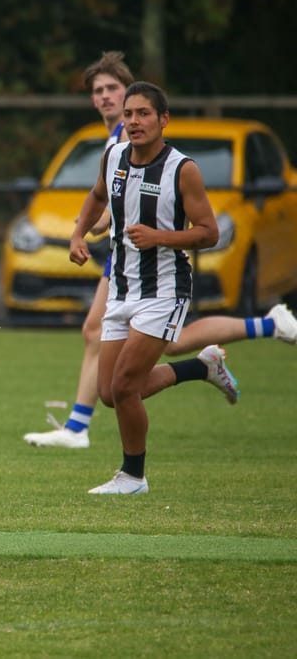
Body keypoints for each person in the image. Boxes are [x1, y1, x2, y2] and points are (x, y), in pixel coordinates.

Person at [24, 52, 297, 449]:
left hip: (146, 264)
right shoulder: (113, 146)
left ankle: (79, 429)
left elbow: (193, 226)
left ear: (140, 101)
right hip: (127, 258)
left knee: (111, 343)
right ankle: (235, 346)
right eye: (97, 90)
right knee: (150, 347)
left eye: (112, 89)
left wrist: (114, 229)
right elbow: (105, 196)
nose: (104, 97)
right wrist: (86, 229)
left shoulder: (135, 139)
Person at [71, 81, 222, 494]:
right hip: (121, 288)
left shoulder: (182, 169)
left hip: (165, 289)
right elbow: (97, 196)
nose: (134, 122)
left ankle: (133, 476)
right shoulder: (114, 155)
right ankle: (201, 367)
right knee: (108, 392)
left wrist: (160, 237)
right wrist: (78, 235)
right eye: (129, 114)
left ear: (163, 120)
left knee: (123, 387)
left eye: (143, 114)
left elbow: (210, 233)